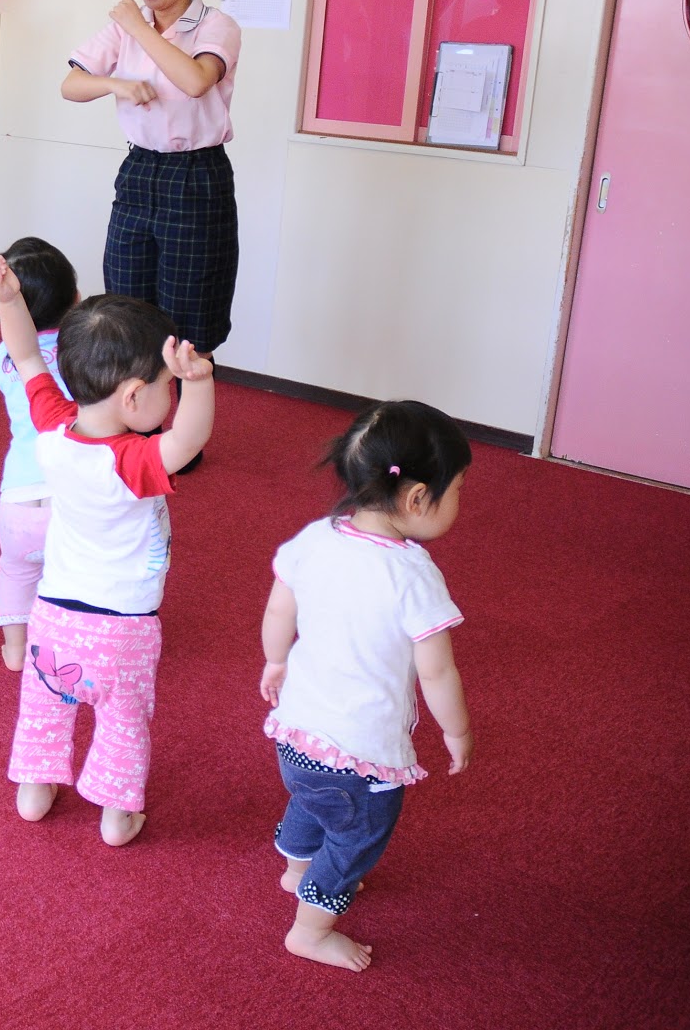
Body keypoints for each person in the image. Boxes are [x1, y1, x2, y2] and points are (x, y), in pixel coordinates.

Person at [0, 259, 214, 848]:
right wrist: (202, 382)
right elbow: (187, 440)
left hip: (53, 616)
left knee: (44, 706)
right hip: (124, 629)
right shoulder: (132, 462)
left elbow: (29, 357)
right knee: (123, 724)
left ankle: (34, 792)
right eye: (166, 386)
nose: (172, 393)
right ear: (135, 397)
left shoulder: (53, 433)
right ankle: (116, 816)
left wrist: (10, 302)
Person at [259, 400, 474, 972]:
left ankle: (296, 868)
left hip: (295, 729)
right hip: (360, 752)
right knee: (358, 838)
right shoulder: (414, 575)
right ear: (417, 498)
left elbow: (281, 609)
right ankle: (311, 928)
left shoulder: (316, 537)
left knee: (311, 798)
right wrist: (457, 730)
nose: (460, 502)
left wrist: (274, 663)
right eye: (457, 489)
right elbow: (436, 671)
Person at [62, 0, 242, 366]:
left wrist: (141, 29)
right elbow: (71, 85)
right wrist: (115, 85)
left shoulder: (216, 26)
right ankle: (134, 434)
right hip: (139, 171)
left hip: (197, 177)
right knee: (125, 315)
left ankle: (187, 438)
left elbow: (196, 80)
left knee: (189, 332)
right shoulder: (126, 25)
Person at [0, 238, 78, 671]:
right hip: (71, 494)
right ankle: (73, 640)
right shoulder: (84, 353)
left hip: (18, 497)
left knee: (16, 571)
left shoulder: (5, 356)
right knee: (77, 573)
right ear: (75, 299)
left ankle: (14, 650)